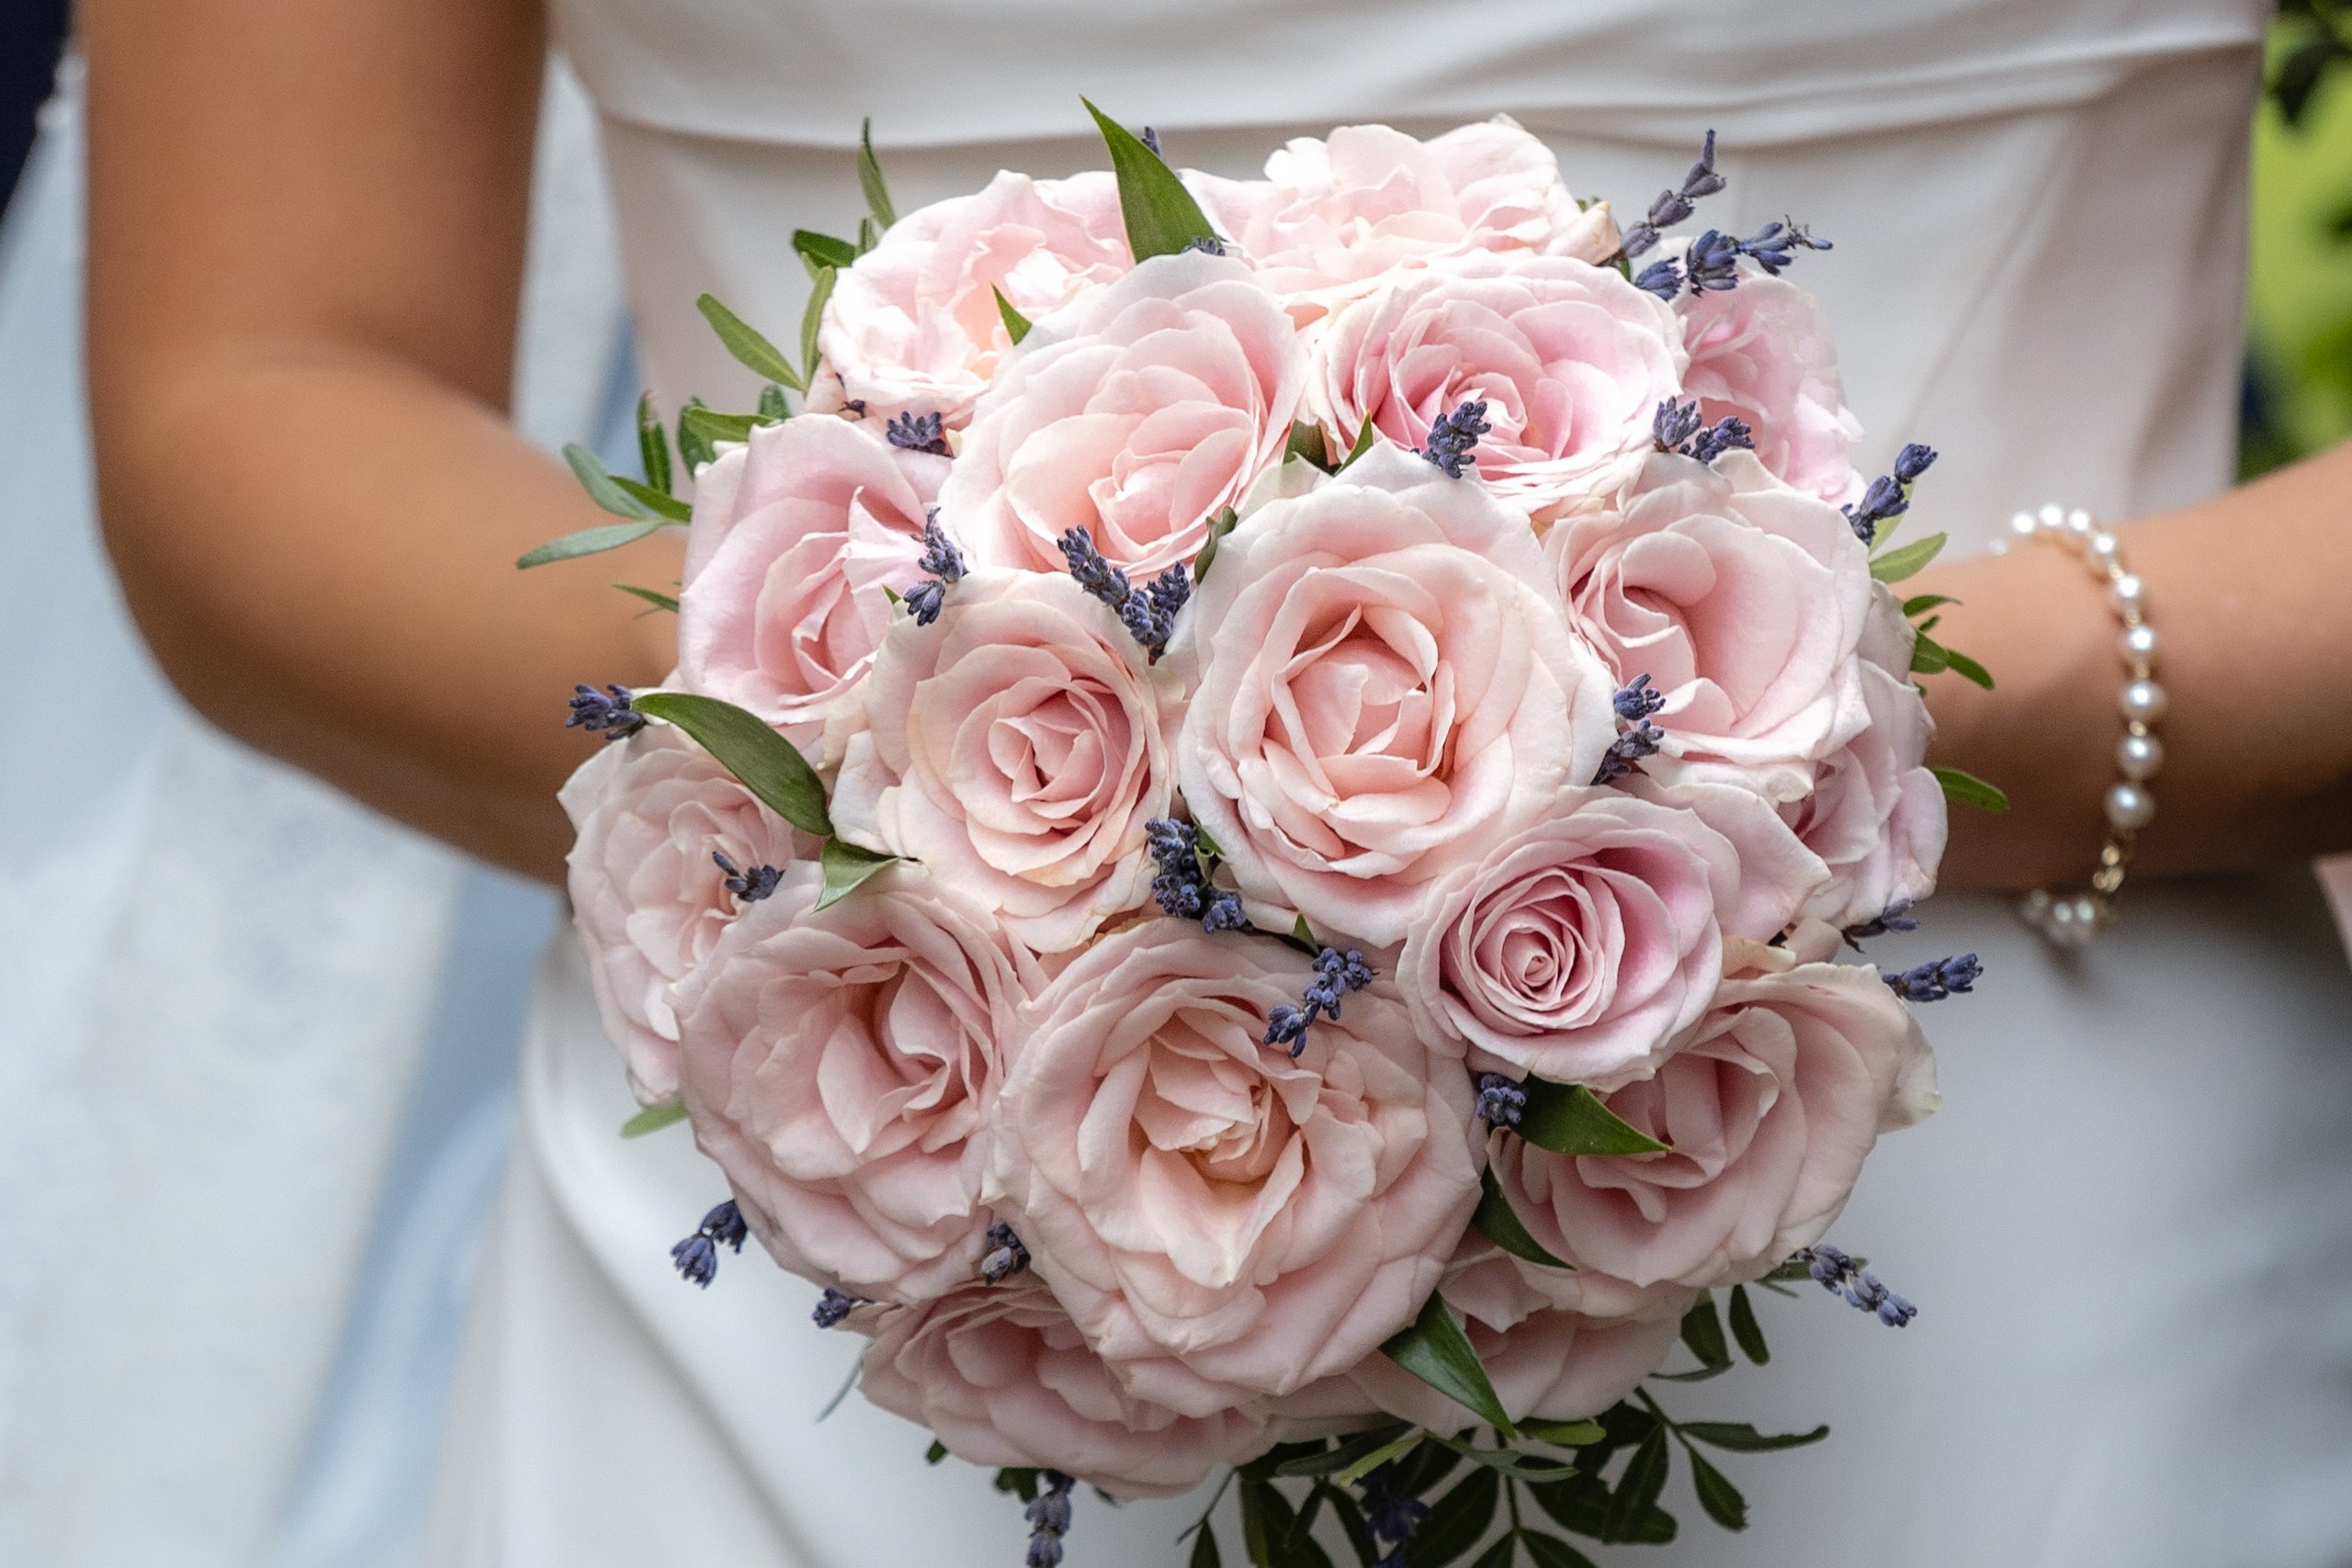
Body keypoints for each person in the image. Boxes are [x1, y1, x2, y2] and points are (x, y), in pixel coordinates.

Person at [82, 0, 2352, 1563]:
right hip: (853, 1250)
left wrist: (1801, 730)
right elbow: (257, 387)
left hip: (2024, 1234)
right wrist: (939, 734)